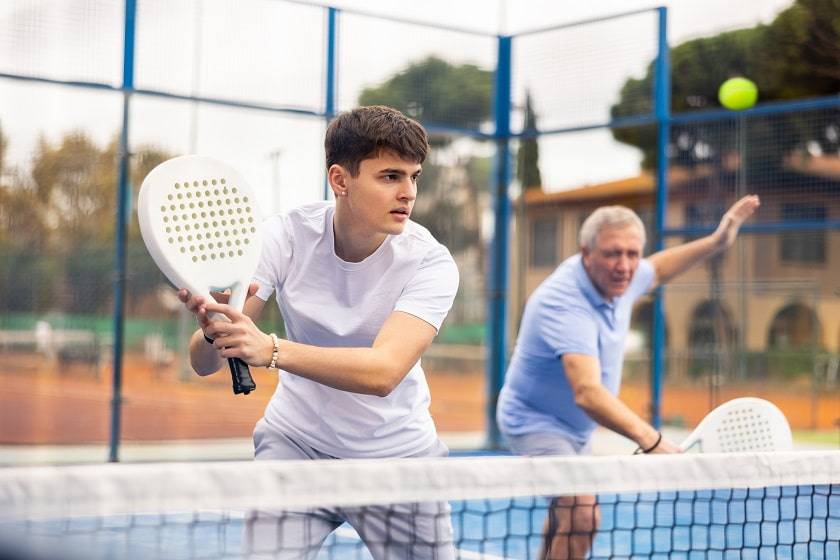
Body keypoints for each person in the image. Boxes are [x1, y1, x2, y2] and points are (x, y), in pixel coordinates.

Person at [178, 105, 460, 559]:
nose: (408, 192)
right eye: (390, 176)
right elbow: (204, 363)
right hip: (297, 446)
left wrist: (269, 349)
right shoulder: (284, 237)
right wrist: (213, 332)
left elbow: (384, 372)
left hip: (399, 457)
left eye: (414, 177)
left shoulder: (430, 262)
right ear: (340, 179)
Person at [496, 195, 760, 559]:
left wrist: (717, 241)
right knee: (582, 512)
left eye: (633, 254)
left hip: (579, 428)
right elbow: (588, 392)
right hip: (535, 422)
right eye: (613, 253)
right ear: (585, 252)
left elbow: (661, 268)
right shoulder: (563, 300)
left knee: (569, 508)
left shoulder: (622, 278)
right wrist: (652, 441)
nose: (625, 265)